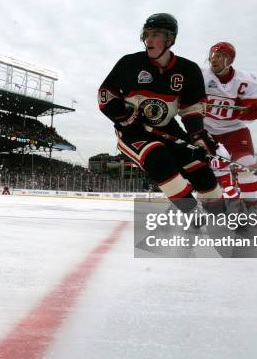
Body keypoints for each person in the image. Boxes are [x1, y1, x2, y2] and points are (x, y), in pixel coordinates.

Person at [98, 13, 229, 221]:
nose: (149, 39)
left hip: (168, 128)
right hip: (132, 131)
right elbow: (105, 96)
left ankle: (222, 216)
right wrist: (125, 115)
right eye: (147, 34)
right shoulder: (129, 64)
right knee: (157, 157)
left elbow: (190, 108)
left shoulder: (189, 70)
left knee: (199, 167)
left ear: (170, 39)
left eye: (156, 34)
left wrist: (197, 135)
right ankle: (192, 215)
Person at [202, 41, 257, 221]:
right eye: (212, 56)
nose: (214, 60)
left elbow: (250, 116)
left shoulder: (245, 80)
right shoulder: (201, 76)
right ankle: (200, 205)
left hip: (235, 129)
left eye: (220, 56)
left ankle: (252, 208)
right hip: (207, 130)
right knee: (202, 170)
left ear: (230, 60)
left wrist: (252, 112)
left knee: (246, 166)